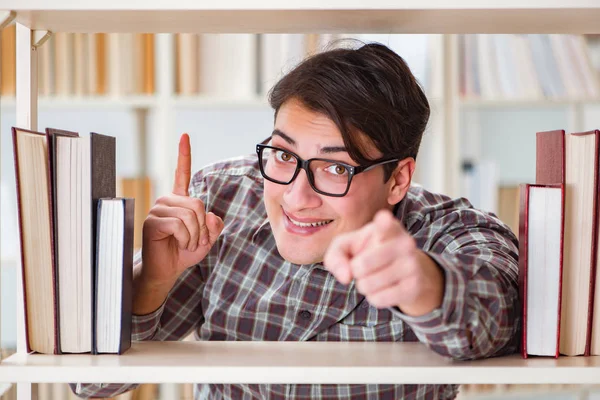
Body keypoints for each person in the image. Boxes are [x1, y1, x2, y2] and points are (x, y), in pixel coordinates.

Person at [72, 41, 520, 399]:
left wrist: (424, 284)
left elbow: (493, 320)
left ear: (398, 179)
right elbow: (92, 383)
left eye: (336, 167)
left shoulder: (452, 230)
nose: (296, 196)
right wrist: (152, 278)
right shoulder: (221, 200)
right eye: (285, 154)